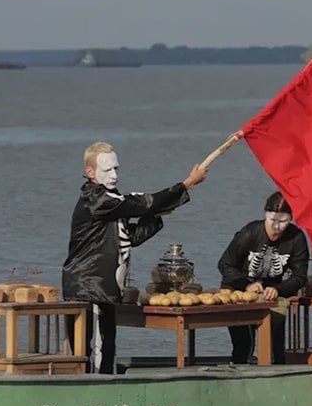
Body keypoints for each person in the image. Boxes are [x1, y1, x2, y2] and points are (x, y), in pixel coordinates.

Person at [62, 141, 207, 374]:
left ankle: (107, 388)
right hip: (88, 287)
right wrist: (186, 185)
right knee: (92, 350)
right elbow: (140, 202)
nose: (115, 175)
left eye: (116, 168)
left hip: (105, 288)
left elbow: (131, 236)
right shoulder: (96, 200)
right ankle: (93, 390)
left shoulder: (112, 199)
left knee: (108, 347)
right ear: (90, 172)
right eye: (108, 170)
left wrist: (159, 212)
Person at [217, 191, 310, 365]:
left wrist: (279, 289)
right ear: (265, 215)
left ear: (291, 218)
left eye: (282, 222)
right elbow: (225, 264)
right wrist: (246, 285)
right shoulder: (249, 233)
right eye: (272, 220)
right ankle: (239, 369)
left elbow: (300, 276)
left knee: (276, 345)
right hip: (238, 288)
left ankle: (276, 372)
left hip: (272, 292)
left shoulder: (296, 238)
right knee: (244, 343)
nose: (276, 227)